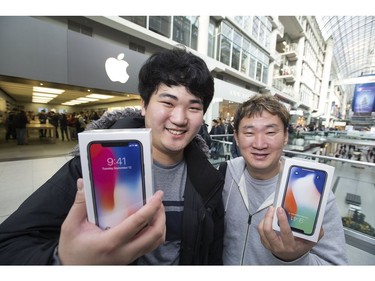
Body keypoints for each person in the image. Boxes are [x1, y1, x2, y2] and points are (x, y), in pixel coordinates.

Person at [0, 46, 224, 265]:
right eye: (167, 102)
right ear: (144, 105)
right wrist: (64, 261)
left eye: (194, 107)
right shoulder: (93, 165)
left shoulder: (208, 180)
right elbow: (9, 244)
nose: (179, 118)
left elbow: (211, 253)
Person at [222, 94, 348, 265]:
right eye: (249, 132)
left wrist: (294, 259)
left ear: (286, 136)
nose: (260, 144)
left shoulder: (311, 190)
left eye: (271, 132)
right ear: (236, 138)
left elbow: (336, 265)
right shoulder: (224, 174)